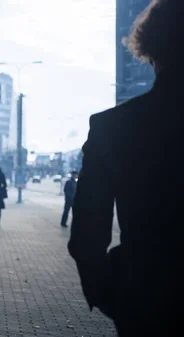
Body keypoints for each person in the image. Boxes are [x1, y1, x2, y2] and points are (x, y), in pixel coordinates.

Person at [68, 1, 184, 336]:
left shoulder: (113, 127)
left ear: (149, 47)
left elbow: (87, 235)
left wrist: (109, 294)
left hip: (147, 302)